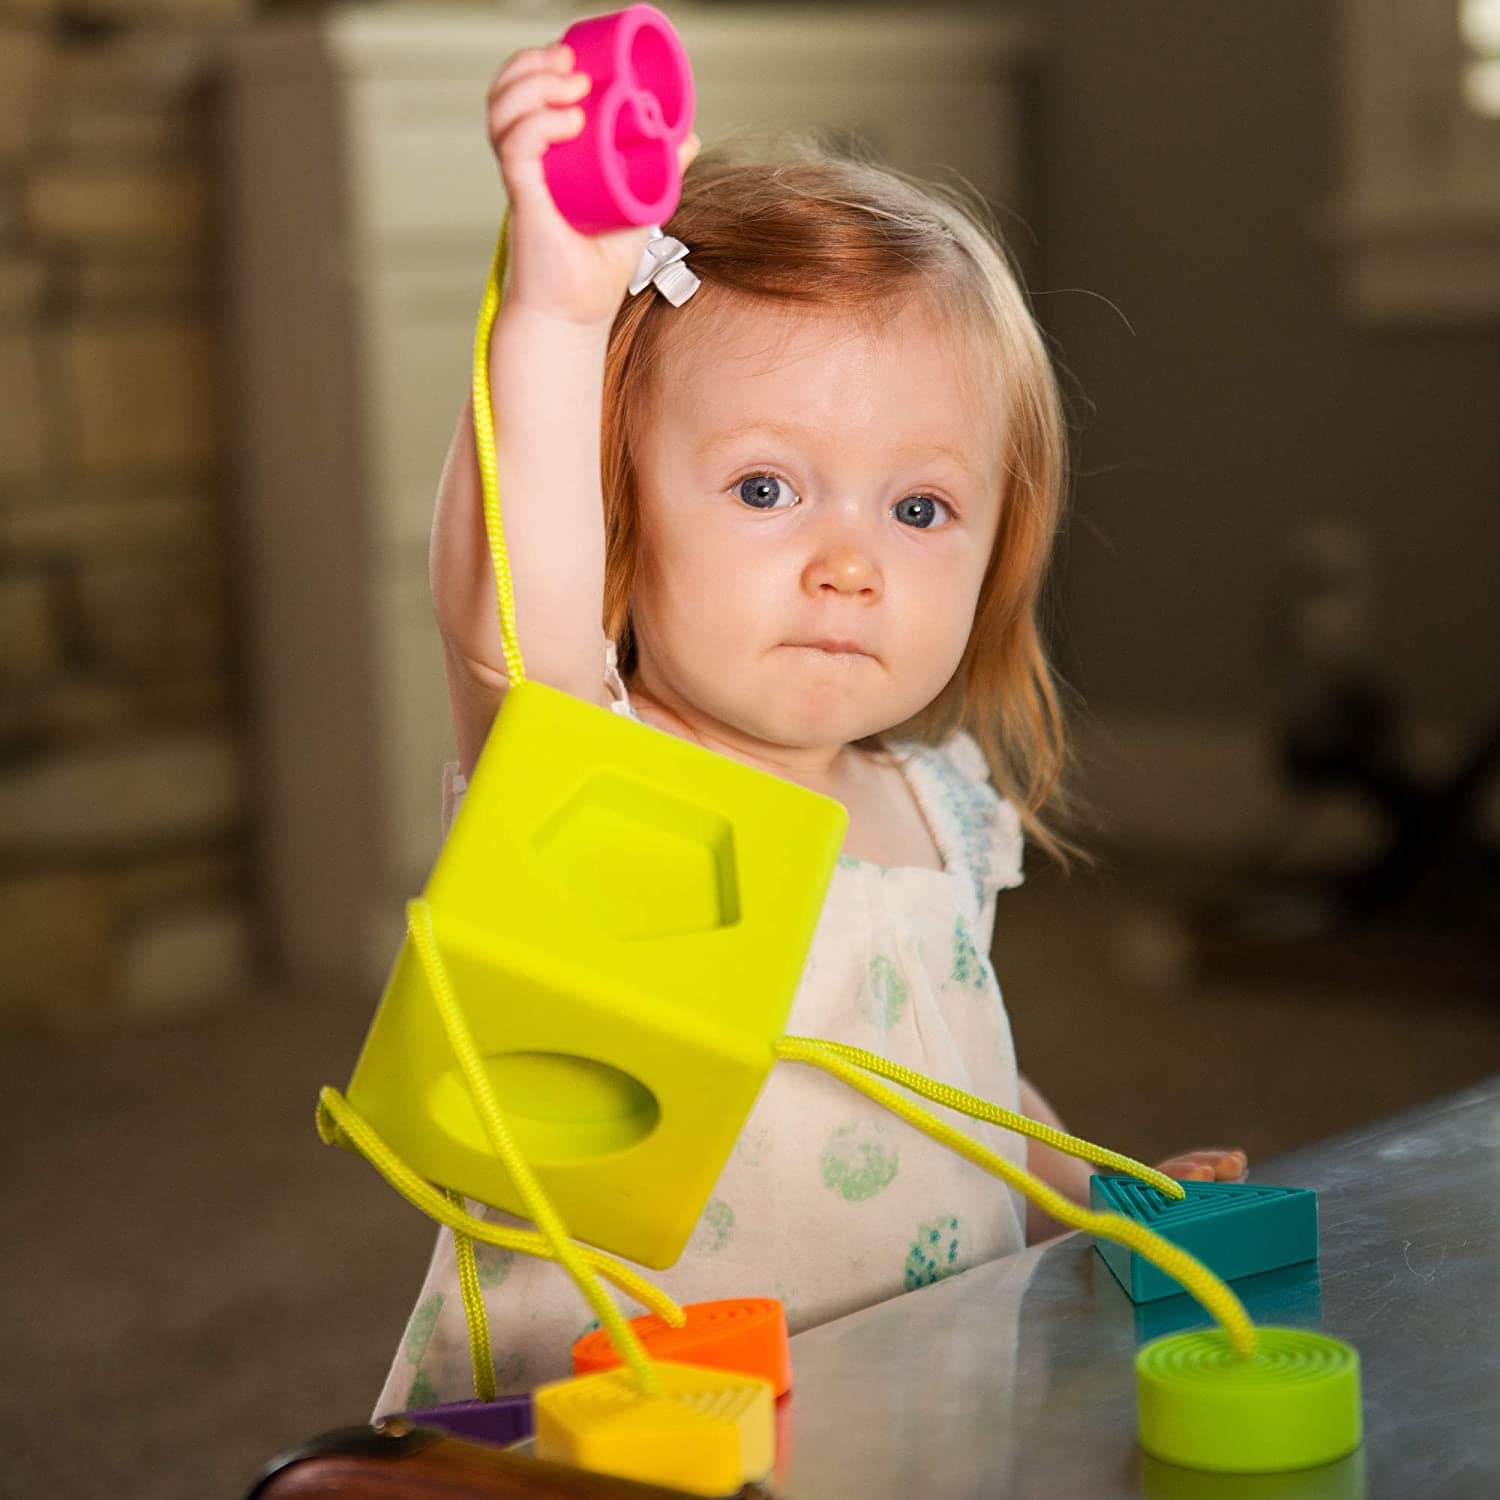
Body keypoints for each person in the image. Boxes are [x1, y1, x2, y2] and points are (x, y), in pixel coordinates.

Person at [375, 41, 1246, 1416]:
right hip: (617, 1428)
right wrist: (553, 319)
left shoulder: (940, 805)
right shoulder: (604, 773)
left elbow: (964, 1089)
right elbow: (507, 612)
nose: (852, 563)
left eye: (917, 510)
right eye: (768, 486)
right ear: (620, 509)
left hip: (907, 1406)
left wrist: (1102, 1198)